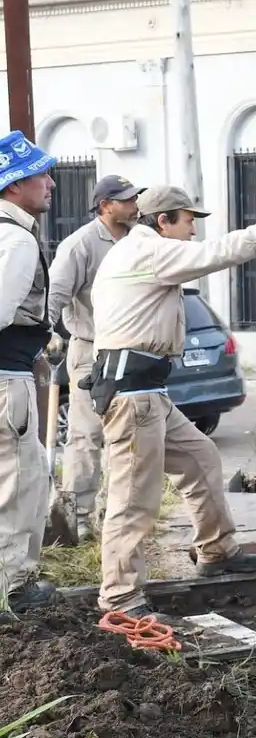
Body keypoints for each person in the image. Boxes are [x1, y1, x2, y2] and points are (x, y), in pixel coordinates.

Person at [89, 185, 256, 618]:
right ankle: (120, 598)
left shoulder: (142, 250)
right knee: (133, 499)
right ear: (163, 221)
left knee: (200, 458)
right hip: (133, 396)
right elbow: (221, 252)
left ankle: (217, 550)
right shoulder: (150, 251)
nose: (194, 230)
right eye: (188, 220)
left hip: (148, 392)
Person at [44, 174, 142, 541]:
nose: (135, 205)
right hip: (91, 351)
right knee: (86, 437)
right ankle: (78, 520)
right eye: (127, 200)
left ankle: (115, 514)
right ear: (105, 206)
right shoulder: (80, 245)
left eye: (135, 198)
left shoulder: (139, 239)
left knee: (127, 438)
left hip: (131, 352)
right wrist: (44, 335)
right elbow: (54, 295)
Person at [0, 130, 59, 611]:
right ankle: (12, 589)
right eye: (41, 174)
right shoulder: (16, 239)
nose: (51, 183)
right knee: (18, 482)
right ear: (15, 184)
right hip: (7, 377)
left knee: (29, 471)